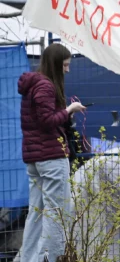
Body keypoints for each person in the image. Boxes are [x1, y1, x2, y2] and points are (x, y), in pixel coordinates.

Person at [18, 43, 86, 262]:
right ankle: (50, 258)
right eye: (65, 65)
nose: (67, 70)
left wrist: (64, 114)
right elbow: (47, 122)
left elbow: (39, 120)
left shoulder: (33, 85)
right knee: (57, 213)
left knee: (36, 213)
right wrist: (68, 110)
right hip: (51, 157)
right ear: (56, 64)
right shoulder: (46, 86)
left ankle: (29, 258)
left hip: (34, 159)